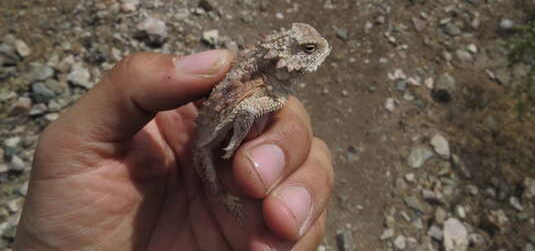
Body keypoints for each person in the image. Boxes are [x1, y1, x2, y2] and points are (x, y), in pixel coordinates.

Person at [14, 50, 334, 250]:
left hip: (212, 135)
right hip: (206, 140)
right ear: (284, 58)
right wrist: (236, 142)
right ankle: (225, 195)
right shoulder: (266, 88)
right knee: (219, 165)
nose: (317, 53)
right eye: (306, 50)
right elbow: (248, 112)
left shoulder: (271, 86)